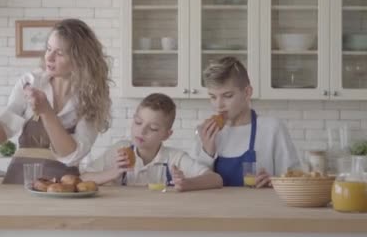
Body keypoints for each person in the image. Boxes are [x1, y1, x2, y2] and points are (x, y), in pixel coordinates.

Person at [0, 18, 112, 183]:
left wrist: (46, 112)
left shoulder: (91, 98)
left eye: (59, 53)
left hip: (62, 186)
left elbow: (71, 156)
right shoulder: (31, 82)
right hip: (19, 180)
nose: (50, 57)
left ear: (80, 59)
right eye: (48, 49)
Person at [195, 56, 300, 187]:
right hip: (215, 207)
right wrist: (207, 152)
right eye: (213, 97)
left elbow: (297, 180)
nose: (218, 105)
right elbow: (195, 184)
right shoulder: (207, 132)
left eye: (227, 96)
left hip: (260, 207)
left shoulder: (272, 128)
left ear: (247, 92)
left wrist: (274, 182)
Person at [82, 93, 222, 191]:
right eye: (138, 122)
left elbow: (215, 179)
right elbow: (83, 177)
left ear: (167, 135)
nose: (142, 131)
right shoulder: (120, 150)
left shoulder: (174, 158)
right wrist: (112, 173)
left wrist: (187, 183)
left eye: (153, 128)